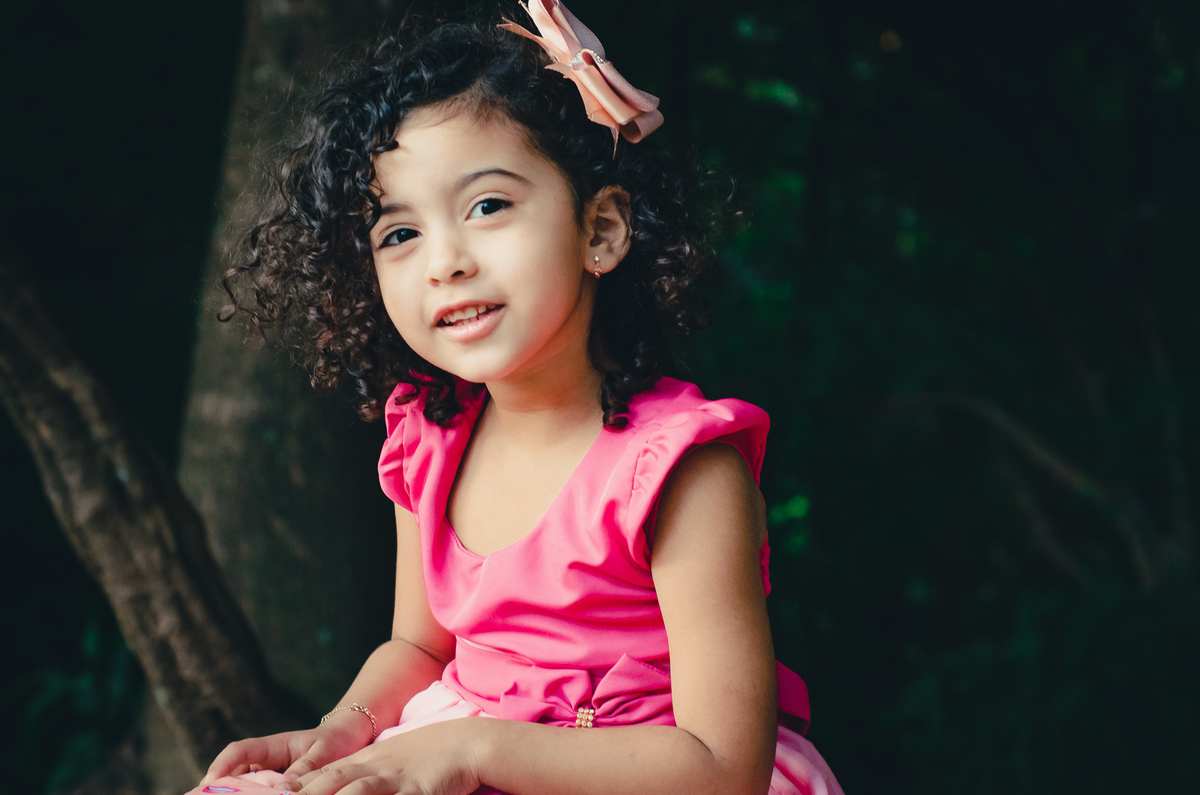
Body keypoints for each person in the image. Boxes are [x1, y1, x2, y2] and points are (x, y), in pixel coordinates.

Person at [193, 2, 844, 793]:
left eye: (488, 206)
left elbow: (721, 768)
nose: (446, 262)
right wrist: (343, 733)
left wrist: (472, 748)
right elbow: (420, 649)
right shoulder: (429, 435)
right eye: (400, 233)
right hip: (455, 750)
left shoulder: (681, 473)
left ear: (599, 232)